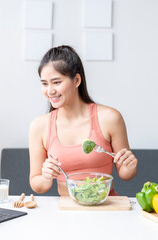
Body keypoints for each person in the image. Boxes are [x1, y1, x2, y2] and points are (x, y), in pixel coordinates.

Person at [29, 45, 138, 196]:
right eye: (44, 83)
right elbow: (36, 184)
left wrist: (129, 165)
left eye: (56, 82)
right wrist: (46, 177)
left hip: (106, 209)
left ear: (76, 80)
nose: (50, 91)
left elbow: (126, 174)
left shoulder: (110, 118)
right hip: (67, 211)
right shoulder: (39, 126)